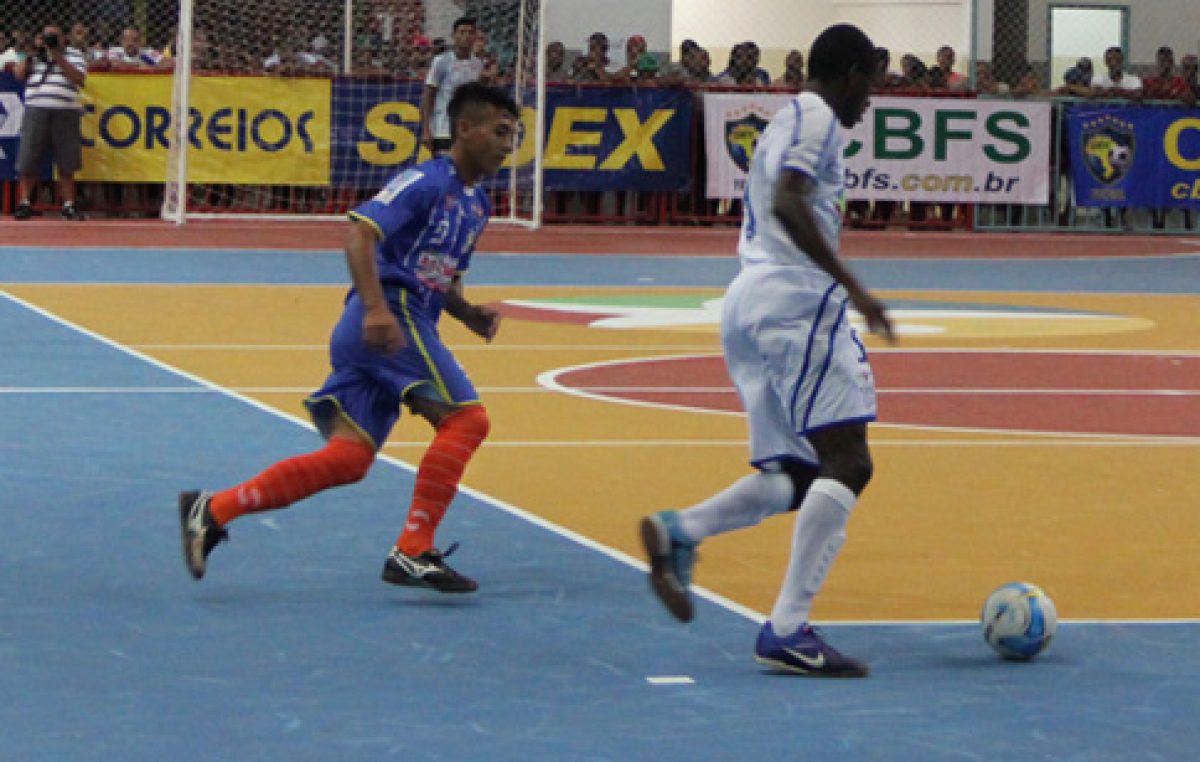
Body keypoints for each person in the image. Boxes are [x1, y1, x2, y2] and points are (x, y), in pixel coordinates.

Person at [179, 82, 518, 593]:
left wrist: (466, 311)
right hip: (389, 318)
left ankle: (213, 509)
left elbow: (441, 273)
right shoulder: (425, 181)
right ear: (463, 129)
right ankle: (413, 549)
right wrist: (378, 308)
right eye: (499, 131)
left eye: (514, 134)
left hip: (390, 325)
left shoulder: (478, 204)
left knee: (349, 459)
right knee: (467, 421)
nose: (507, 143)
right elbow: (359, 232)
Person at [639, 23, 893, 678]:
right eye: (871, 81)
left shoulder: (785, 118)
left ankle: (681, 532)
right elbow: (788, 201)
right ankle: (787, 628)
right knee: (850, 462)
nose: (872, 97)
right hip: (797, 302)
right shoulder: (818, 118)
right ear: (850, 74)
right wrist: (855, 287)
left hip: (748, 299)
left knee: (800, 473)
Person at [12, 25, 88, 221]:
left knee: (66, 160)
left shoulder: (74, 54)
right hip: (36, 108)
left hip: (66, 110)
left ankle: (69, 204)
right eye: (47, 37)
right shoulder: (34, 55)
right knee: (29, 157)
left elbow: (79, 78)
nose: (51, 40)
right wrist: (30, 55)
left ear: (64, 38)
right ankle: (25, 202)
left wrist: (57, 56)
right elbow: (19, 75)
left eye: (55, 36)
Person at [420, 16, 482, 155]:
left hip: (467, 129)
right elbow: (429, 94)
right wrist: (426, 129)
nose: (466, 36)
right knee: (445, 171)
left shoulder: (478, 64)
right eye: (462, 32)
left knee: (465, 173)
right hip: (443, 128)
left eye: (470, 32)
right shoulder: (441, 61)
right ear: (454, 36)